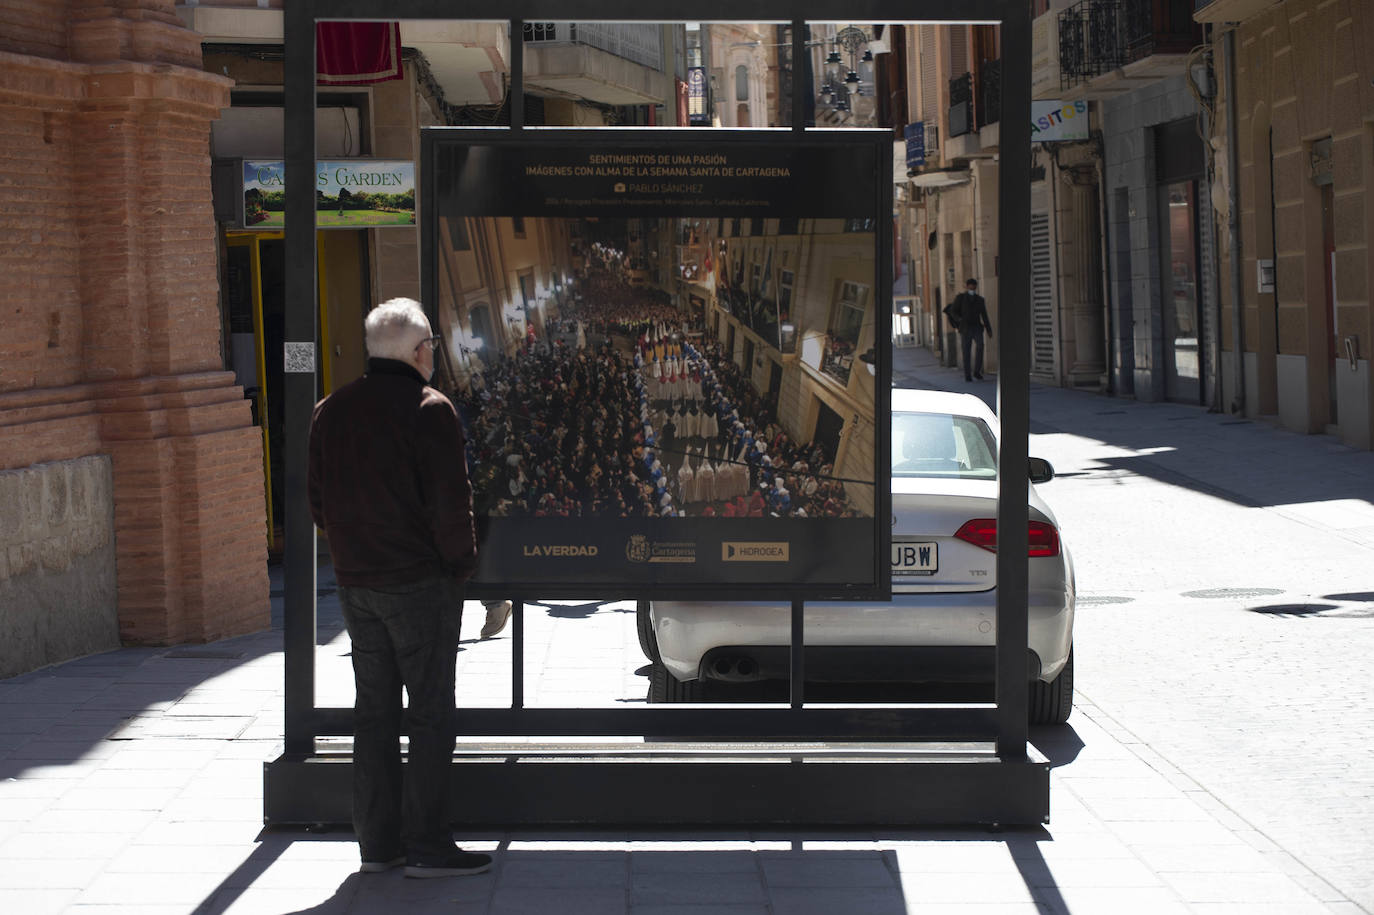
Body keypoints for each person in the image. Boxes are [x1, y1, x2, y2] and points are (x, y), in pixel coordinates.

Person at [308, 298, 492, 879]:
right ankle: (430, 848)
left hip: (356, 585)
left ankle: (378, 846)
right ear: (418, 351)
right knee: (432, 716)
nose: (433, 353)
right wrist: (461, 568)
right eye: (431, 344)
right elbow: (450, 502)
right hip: (418, 584)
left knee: (375, 715)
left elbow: (316, 504)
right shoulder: (429, 409)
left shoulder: (329, 411)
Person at [943, 277, 994, 382]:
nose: (972, 288)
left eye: (973, 286)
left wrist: (989, 329)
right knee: (966, 351)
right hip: (965, 328)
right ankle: (967, 374)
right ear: (967, 287)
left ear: (975, 287)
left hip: (976, 327)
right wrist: (959, 319)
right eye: (970, 286)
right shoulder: (961, 298)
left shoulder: (980, 300)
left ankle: (977, 371)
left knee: (980, 346)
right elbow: (953, 311)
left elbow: (984, 315)